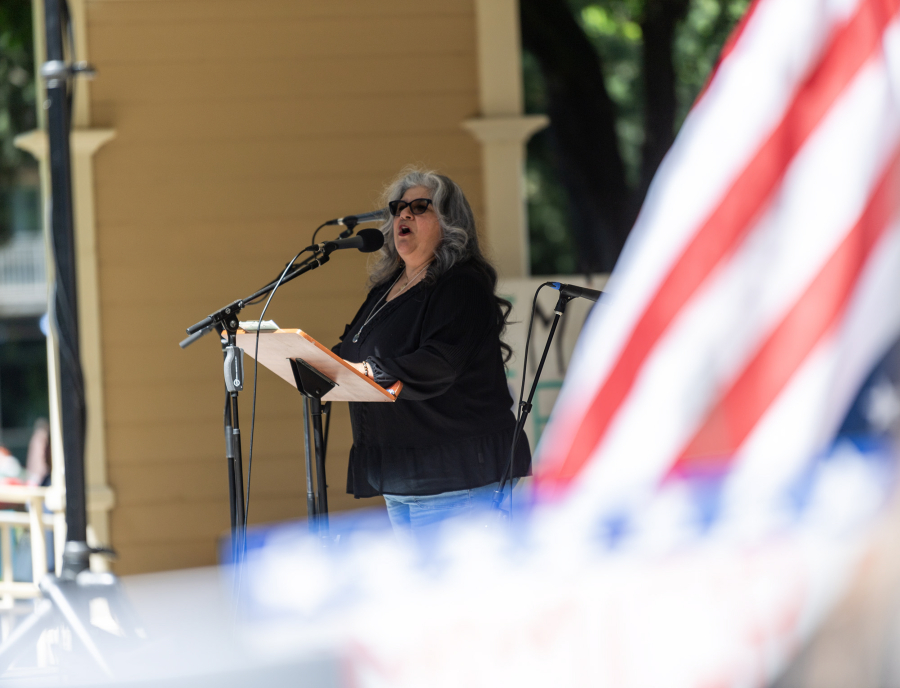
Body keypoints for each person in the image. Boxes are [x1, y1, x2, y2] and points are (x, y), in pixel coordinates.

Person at [334, 168, 531, 536]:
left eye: (420, 207)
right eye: (399, 207)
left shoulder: (461, 284)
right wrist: (318, 363)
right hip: (402, 476)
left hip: (455, 475)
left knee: (459, 595)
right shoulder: (387, 288)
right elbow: (352, 348)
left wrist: (365, 372)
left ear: (450, 221)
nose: (403, 214)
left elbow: (438, 364)